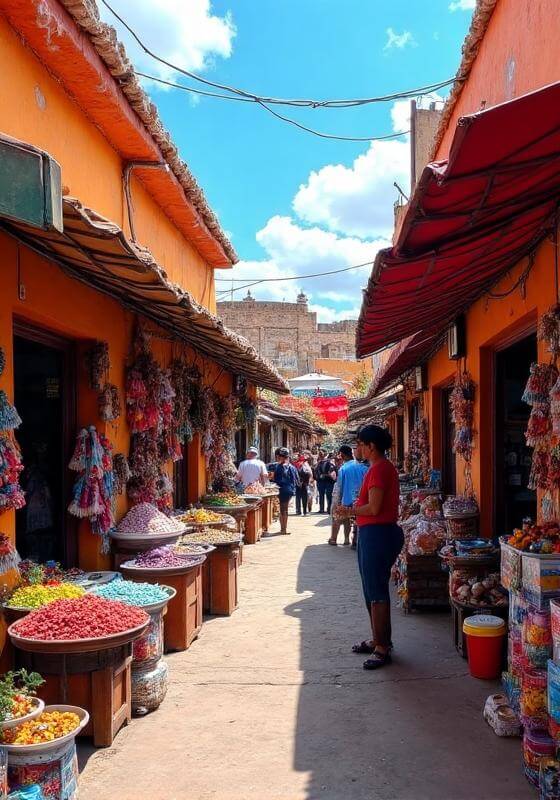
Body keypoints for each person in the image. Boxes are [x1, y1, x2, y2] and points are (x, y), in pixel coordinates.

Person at [351, 425, 403, 671]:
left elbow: (374, 508)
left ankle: (382, 647)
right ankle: (378, 639)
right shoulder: (377, 468)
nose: (357, 448)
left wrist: (349, 511)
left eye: (361, 443)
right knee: (371, 589)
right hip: (374, 533)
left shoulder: (380, 469)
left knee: (376, 591)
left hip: (377, 534)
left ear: (371, 446)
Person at [328, 444, 368, 546]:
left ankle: (334, 539)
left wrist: (337, 502)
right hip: (360, 500)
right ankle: (347, 539)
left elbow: (339, 487)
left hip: (346, 499)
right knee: (353, 520)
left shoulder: (343, 469)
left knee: (338, 518)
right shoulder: (362, 467)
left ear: (342, 455)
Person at [272, 447, 299, 534]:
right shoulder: (292, 467)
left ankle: (283, 529)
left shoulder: (279, 467)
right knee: (284, 509)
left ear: (282, 457)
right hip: (290, 490)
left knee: (282, 509)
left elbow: (276, 479)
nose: (278, 458)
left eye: (279, 456)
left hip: (282, 490)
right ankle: (283, 529)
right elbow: (296, 479)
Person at [315, 449, 336, 514]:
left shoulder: (330, 462)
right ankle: (321, 509)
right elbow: (316, 471)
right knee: (321, 495)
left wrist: (325, 475)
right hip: (321, 482)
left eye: (321, 454)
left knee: (329, 495)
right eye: (319, 454)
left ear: (325, 454)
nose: (320, 455)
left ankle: (329, 509)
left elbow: (332, 471)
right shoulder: (318, 463)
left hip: (329, 481)